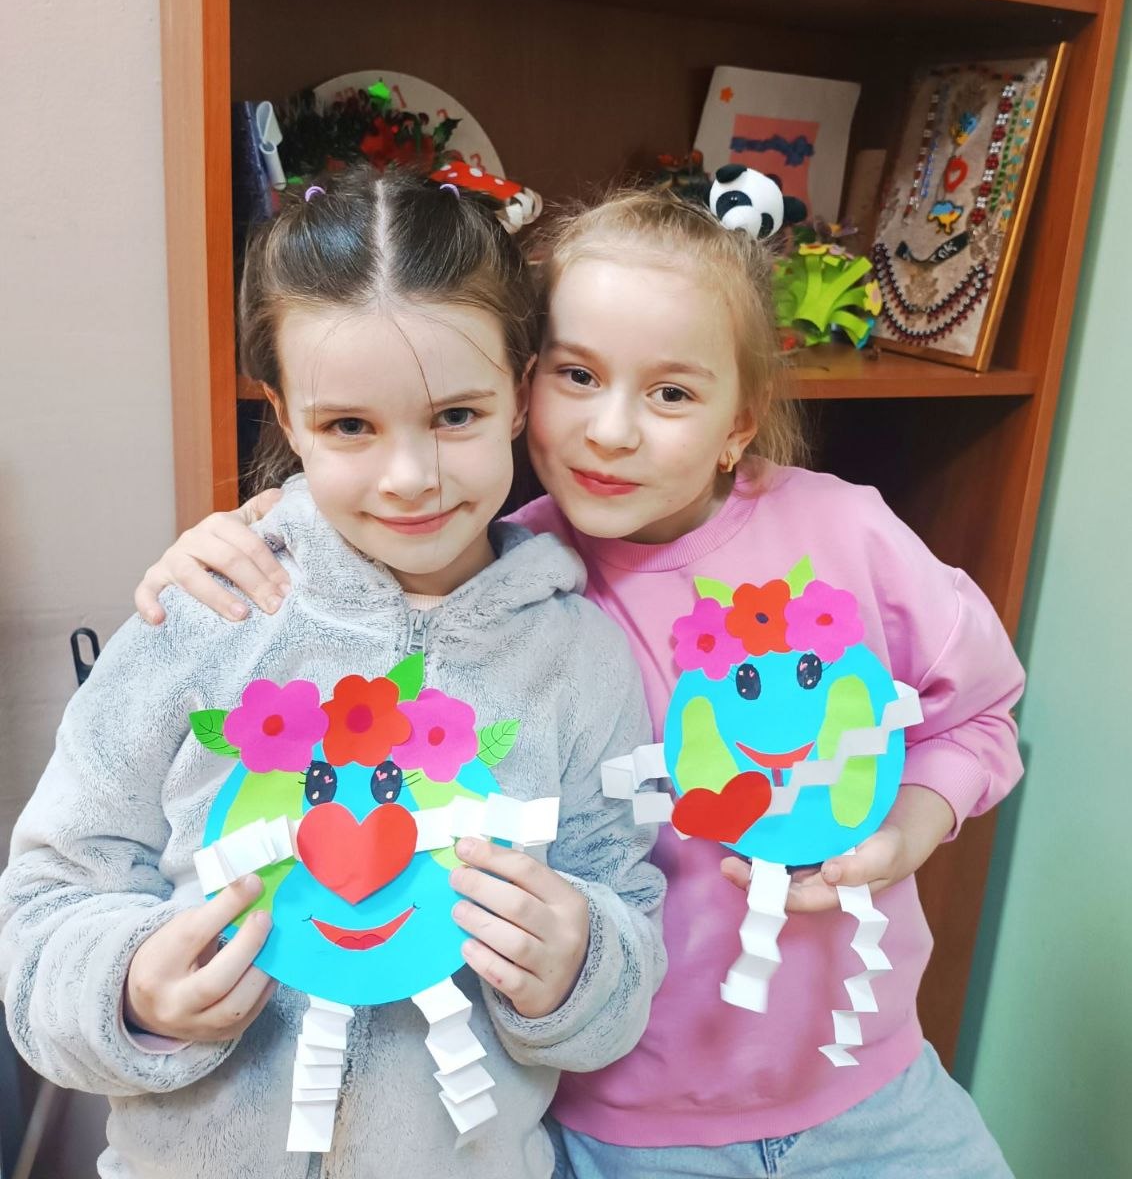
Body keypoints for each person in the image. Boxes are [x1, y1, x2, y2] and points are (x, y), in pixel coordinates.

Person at [132, 187, 1024, 1177]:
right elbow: (350, 579)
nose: (611, 431)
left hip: (873, 1086)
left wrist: (909, 830)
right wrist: (254, 529)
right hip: (621, 1127)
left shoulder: (848, 533)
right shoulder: (503, 589)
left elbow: (980, 713)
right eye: (578, 374)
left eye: (672, 393)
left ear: (741, 420)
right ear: (523, 387)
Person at [0, 168, 667, 1179]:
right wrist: (131, 990)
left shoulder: (579, 659)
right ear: (283, 413)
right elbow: (49, 897)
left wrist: (580, 965)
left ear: (520, 387)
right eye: (350, 426)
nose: (409, 477)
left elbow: (626, 906)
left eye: (455, 414)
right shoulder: (207, 611)